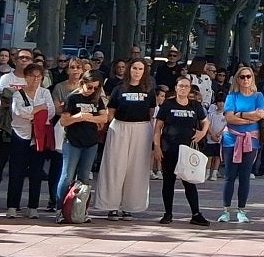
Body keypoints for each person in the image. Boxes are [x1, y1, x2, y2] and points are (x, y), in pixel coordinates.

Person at [94, 57, 156, 219]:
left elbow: (151, 113)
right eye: (134, 68)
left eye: (140, 69)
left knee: (136, 168)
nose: (137, 72)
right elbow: (111, 111)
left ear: (145, 71)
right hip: (120, 127)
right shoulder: (119, 88)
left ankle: (130, 206)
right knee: (115, 166)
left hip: (142, 129)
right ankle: (111, 206)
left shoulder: (149, 89)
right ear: (129, 69)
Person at [0, 63, 56, 218]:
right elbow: (19, 112)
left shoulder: (45, 93)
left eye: (39, 76)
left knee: (36, 172)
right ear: (26, 77)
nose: (36, 79)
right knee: (17, 171)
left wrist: (36, 112)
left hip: (39, 136)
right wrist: (37, 110)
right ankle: (12, 206)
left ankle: (33, 206)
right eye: (32, 76)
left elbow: (50, 112)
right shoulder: (18, 94)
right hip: (20, 134)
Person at [156, 78, 212, 226]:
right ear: (176, 87)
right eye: (181, 86)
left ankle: (196, 214)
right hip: (169, 148)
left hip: (188, 150)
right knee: (168, 182)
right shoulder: (168, 104)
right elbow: (158, 126)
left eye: (186, 86)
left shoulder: (195, 105)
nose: (183, 88)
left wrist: (202, 133)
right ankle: (168, 214)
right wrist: (157, 146)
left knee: (189, 182)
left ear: (189, 89)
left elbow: (205, 121)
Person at [219, 66, 264, 224]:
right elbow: (229, 118)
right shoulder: (232, 96)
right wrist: (248, 118)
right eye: (242, 77)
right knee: (229, 176)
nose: (245, 79)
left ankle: (241, 210)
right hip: (231, 139)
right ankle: (226, 210)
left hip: (251, 140)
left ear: (252, 78)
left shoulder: (258, 96)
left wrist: (240, 115)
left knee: (245, 176)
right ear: (237, 79)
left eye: (248, 76)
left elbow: (260, 115)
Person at [54, 72, 107, 208]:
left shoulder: (96, 99)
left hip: (91, 142)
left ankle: (81, 209)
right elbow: (64, 121)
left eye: (96, 88)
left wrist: (88, 118)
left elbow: (103, 118)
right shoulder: (72, 99)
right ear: (82, 83)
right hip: (73, 141)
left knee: (84, 178)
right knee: (67, 176)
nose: (92, 91)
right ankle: (60, 208)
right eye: (90, 87)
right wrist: (79, 117)